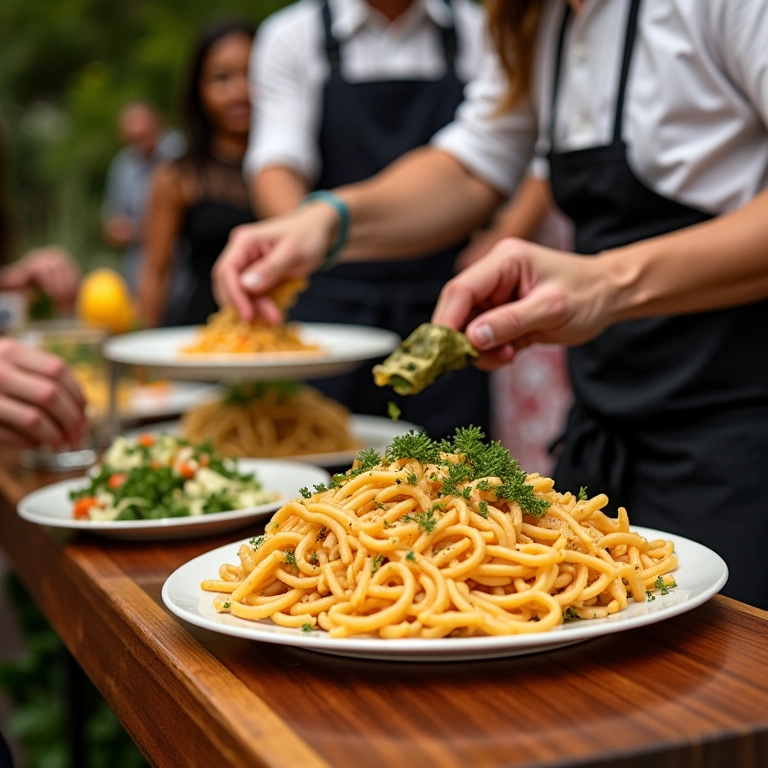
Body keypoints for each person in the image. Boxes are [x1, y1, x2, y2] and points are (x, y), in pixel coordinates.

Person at [211, 0, 768, 611]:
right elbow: (473, 166)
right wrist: (326, 221)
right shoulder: (538, 18)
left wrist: (609, 283)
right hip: (613, 423)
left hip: (742, 428)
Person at [245, 0, 490, 439]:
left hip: (449, 296)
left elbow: (508, 156)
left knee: (457, 472)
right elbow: (277, 160)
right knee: (325, 466)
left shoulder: (479, 29)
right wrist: (298, 241)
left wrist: (501, 239)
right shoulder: (292, 35)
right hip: (331, 303)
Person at [138, 20, 256, 328]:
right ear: (199, 89)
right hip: (206, 337)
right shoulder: (178, 176)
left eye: (253, 74)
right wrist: (140, 361)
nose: (240, 91)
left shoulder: (295, 169)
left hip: (294, 337)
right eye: (222, 78)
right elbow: (156, 271)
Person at [101, 100, 185, 298]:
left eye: (143, 132)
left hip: (184, 273)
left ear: (158, 124)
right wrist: (119, 230)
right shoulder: (122, 166)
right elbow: (111, 221)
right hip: (140, 271)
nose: (139, 138)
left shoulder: (181, 152)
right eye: (133, 137)